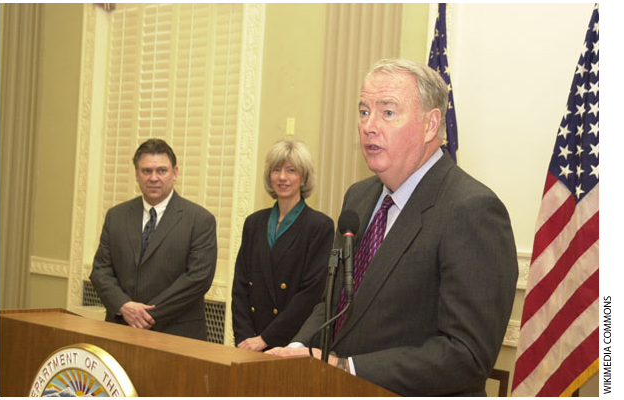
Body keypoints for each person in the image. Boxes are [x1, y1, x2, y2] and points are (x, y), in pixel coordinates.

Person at [266, 59, 518, 396]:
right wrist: (296, 350)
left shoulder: (472, 209)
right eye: (363, 111)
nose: (369, 126)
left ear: (430, 125)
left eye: (387, 112)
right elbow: (334, 304)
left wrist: (347, 368)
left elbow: (467, 355)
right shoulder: (358, 197)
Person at [90, 138, 217, 340]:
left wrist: (144, 315)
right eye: (146, 171)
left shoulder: (200, 219)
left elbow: (198, 279)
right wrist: (124, 306)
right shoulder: (116, 216)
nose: (153, 178)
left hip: (177, 335)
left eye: (161, 170)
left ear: (175, 173)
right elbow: (100, 270)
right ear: (136, 174)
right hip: (121, 329)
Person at [231, 139, 334, 352]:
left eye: (291, 170)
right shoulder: (254, 223)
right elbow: (240, 285)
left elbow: (311, 294)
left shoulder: (319, 226)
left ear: (304, 178)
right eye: (276, 169)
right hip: (249, 343)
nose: (282, 177)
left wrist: (265, 339)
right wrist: (244, 337)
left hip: (290, 343)